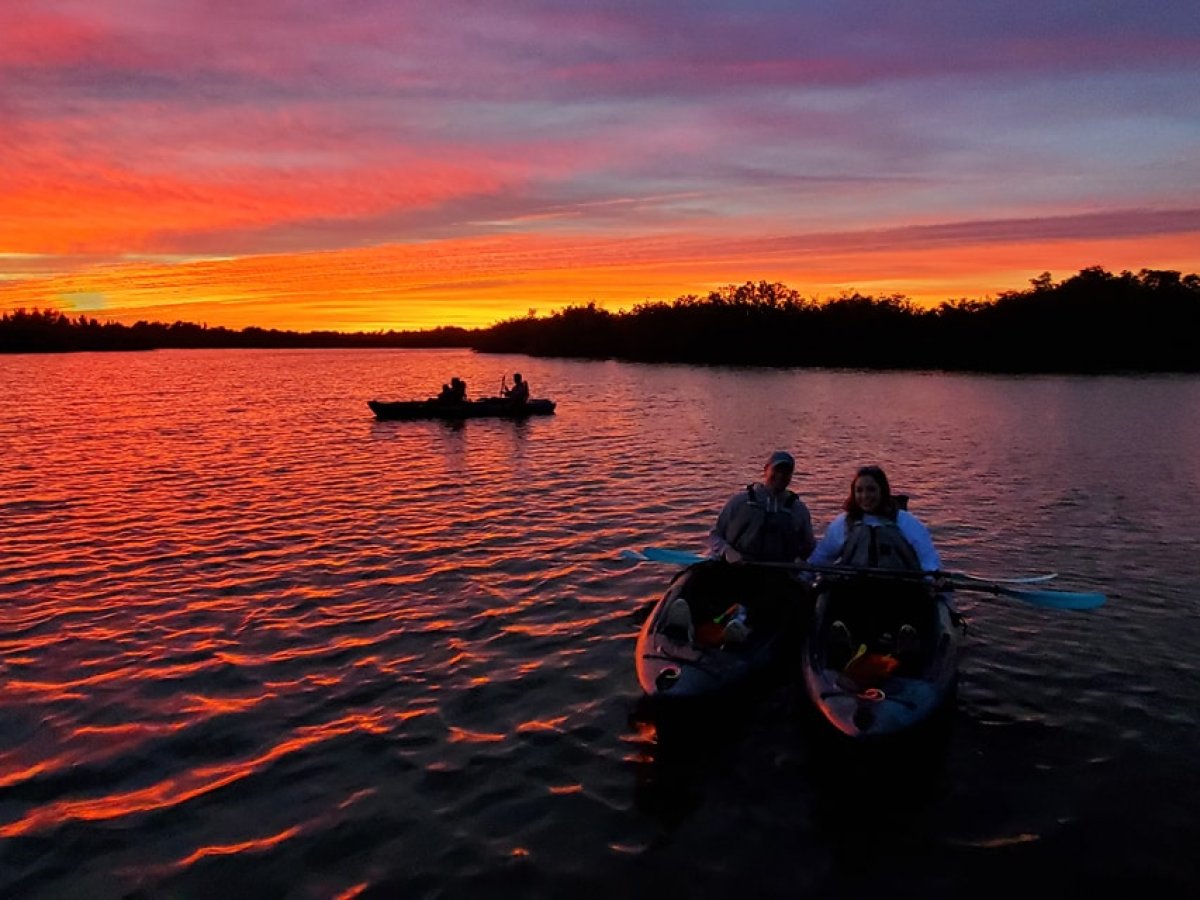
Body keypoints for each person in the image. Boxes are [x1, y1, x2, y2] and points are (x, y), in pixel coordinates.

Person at [665, 451, 815, 644]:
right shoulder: (739, 502)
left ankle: (742, 630)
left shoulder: (798, 511)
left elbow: (808, 547)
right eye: (776, 470)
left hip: (774, 574)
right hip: (737, 567)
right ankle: (685, 619)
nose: (780, 476)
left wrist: (799, 563)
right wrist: (727, 551)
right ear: (766, 470)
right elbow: (714, 535)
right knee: (699, 576)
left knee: (785, 598)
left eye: (786, 472)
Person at [808, 465, 941, 658]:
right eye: (859, 490)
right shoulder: (844, 523)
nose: (865, 496)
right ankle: (841, 639)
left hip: (898, 587)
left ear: (882, 491)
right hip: (858, 588)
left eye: (871, 490)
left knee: (918, 597)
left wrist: (933, 579)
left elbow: (928, 558)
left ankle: (908, 640)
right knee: (833, 589)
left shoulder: (905, 521)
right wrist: (805, 575)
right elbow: (822, 557)